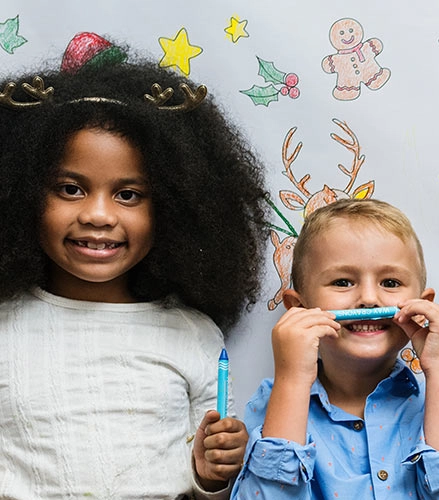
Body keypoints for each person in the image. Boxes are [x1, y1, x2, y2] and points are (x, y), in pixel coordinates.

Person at [0, 33, 268, 499]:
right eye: (69, 188)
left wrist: (213, 473)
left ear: (173, 208)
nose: (98, 215)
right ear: (21, 196)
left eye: (128, 195)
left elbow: (208, 481)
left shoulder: (191, 333)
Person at [232, 199, 439, 499]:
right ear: (299, 309)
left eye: (390, 282)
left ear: (421, 308)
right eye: (342, 282)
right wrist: (292, 379)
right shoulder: (275, 400)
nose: (368, 299)